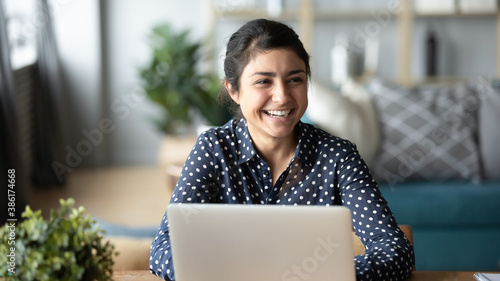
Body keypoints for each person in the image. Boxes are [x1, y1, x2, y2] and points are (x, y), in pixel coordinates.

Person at [149, 18, 414, 281]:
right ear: (234, 90)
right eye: (264, 81)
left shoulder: (338, 157)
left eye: (294, 80)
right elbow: (163, 249)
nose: (282, 96)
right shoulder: (212, 150)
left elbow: (395, 251)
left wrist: (330, 275)